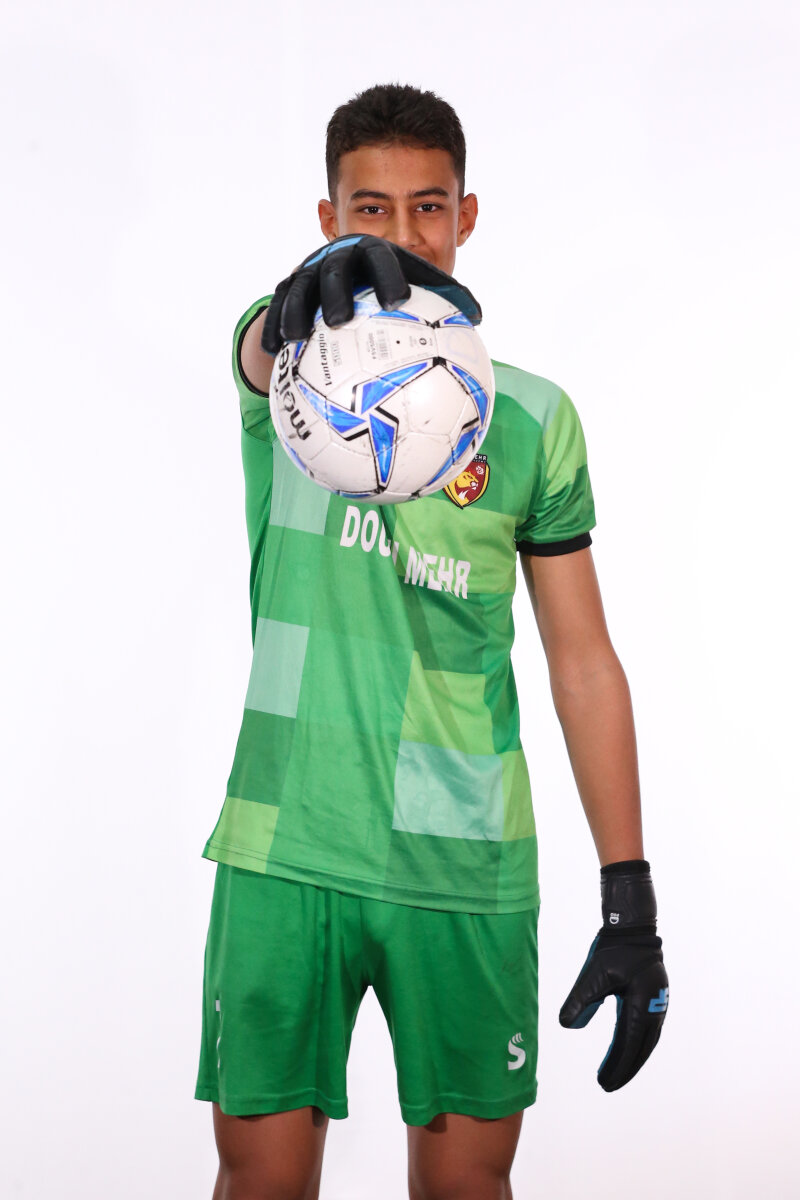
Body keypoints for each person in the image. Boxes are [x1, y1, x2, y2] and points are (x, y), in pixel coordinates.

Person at [195, 83, 669, 1200]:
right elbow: (258, 349)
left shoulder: (533, 418)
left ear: (466, 216)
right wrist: (292, 302)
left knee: (467, 1188)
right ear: (328, 221)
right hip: (286, 843)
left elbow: (581, 660)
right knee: (257, 1182)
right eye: (370, 210)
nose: (401, 236)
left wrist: (629, 891)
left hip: (465, 864)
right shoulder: (291, 376)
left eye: (427, 207)